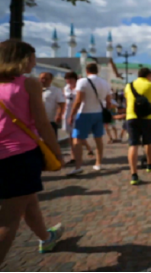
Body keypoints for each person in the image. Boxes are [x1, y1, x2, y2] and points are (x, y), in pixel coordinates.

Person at [0, 40, 64, 264]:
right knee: (8, 219)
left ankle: (46, 237)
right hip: (20, 156)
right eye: (33, 57)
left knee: (28, 201)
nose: (35, 62)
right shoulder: (28, 84)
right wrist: (56, 152)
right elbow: (42, 123)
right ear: (23, 58)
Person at [66, 63, 112, 176]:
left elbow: (78, 100)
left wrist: (71, 115)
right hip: (99, 113)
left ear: (87, 71)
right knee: (98, 139)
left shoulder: (82, 81)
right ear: (97, 71)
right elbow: (109, 102)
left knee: (77, 139)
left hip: (84, 113)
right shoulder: (105, 83)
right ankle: (98, 163)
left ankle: (78, 166)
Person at [62, 72, 94, 165]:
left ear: (75, 79)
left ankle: (78, 155)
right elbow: (65, 101)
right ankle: (74, 156)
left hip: (78, 113)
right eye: (67, 79)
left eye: (70, 79)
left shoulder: (80, 88)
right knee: (70, 135)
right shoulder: (66, 88)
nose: (68, 81)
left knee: (77, 135)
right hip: (68, 113)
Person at [39, 72, 66, 138]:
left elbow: (61, 103)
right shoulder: (34, 89)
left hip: (50, 120)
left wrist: (59, 115)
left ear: (51, 80)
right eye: (42, 78)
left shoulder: (56, 90)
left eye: (46, 79)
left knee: (51, 140)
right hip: (37, 120)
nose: (43, 80)